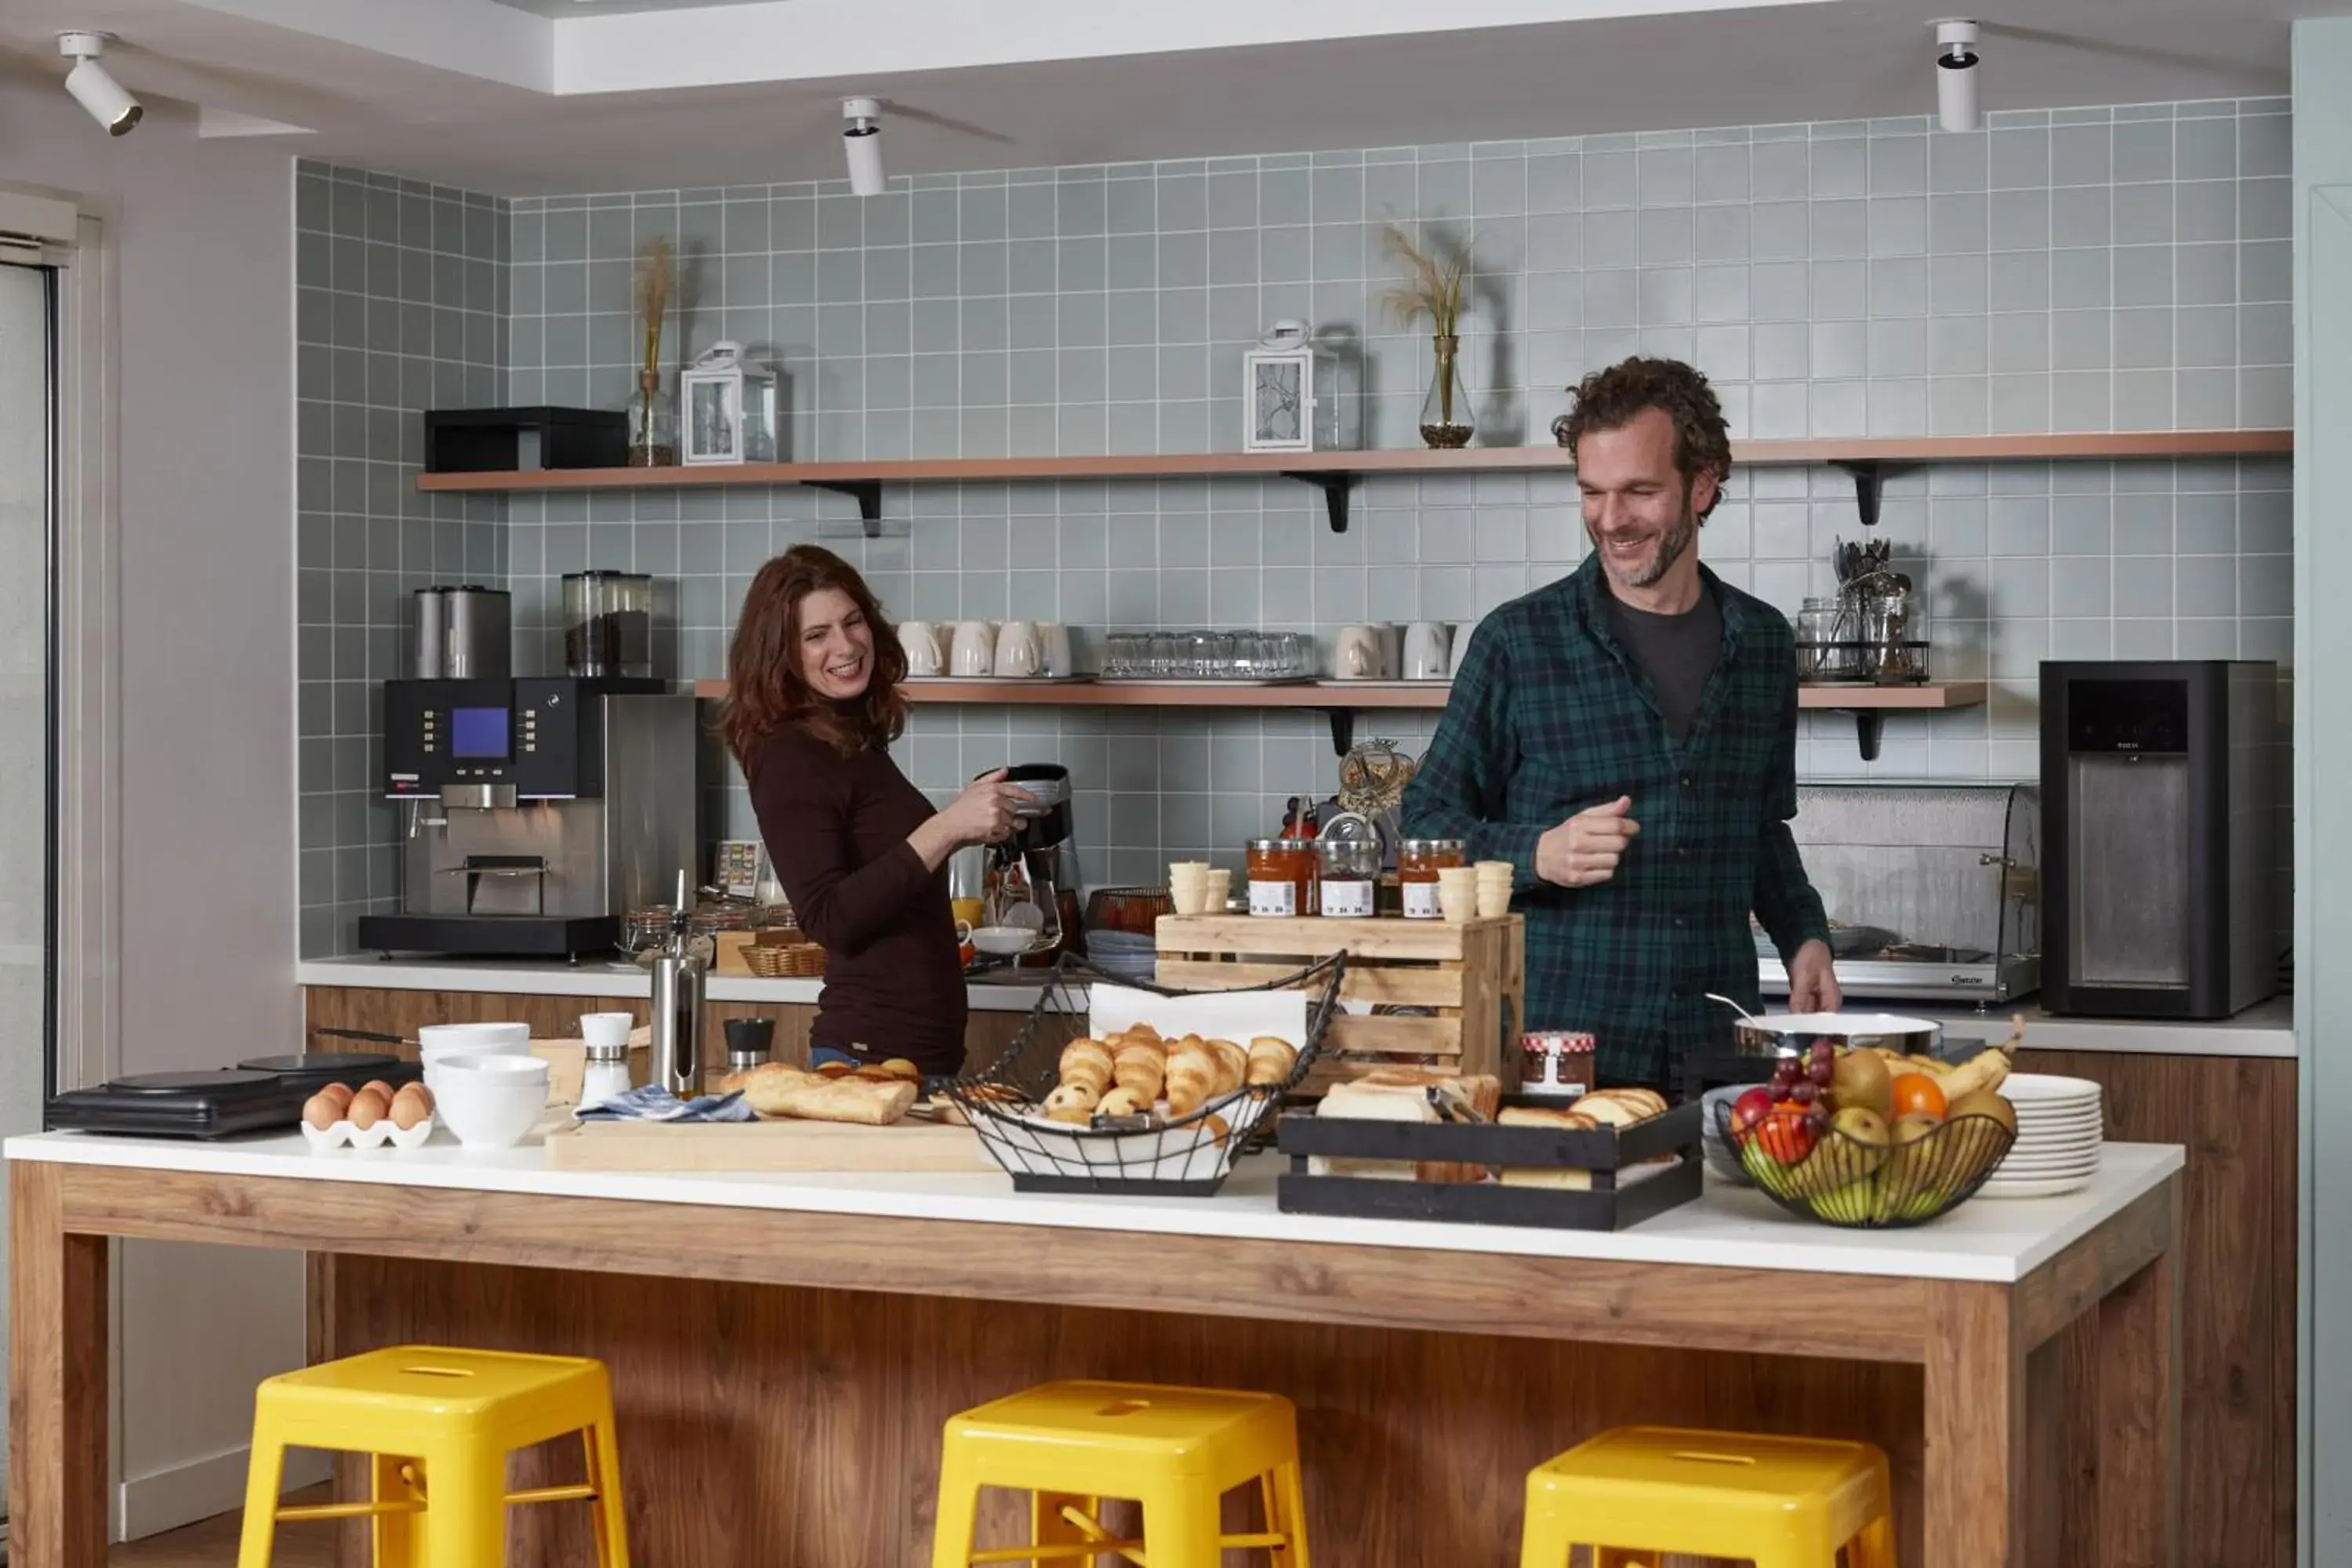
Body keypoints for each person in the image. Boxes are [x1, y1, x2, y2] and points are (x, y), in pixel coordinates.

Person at [1400, 356, 1838, 1090]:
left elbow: (1760, 827)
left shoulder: (1762, 643)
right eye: (1593, 493)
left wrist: (1805, 936)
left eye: (1638, 491)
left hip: (1718, 1048)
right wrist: (1537, 853)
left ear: (1702, 485)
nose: (1611, 519)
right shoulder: (1518, 642)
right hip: (1560, 1057)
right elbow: (1420, 830)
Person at [721, 546, 1033, 1079]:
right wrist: (949, 825)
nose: (845, 645)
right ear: (782, 654)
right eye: (816, 635)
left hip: (908, 1053)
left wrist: (966, 823)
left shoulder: (846, 737)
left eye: (852, 621)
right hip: (867, 1058)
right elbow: (830, 918)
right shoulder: (789, 756)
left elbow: (887, 871)